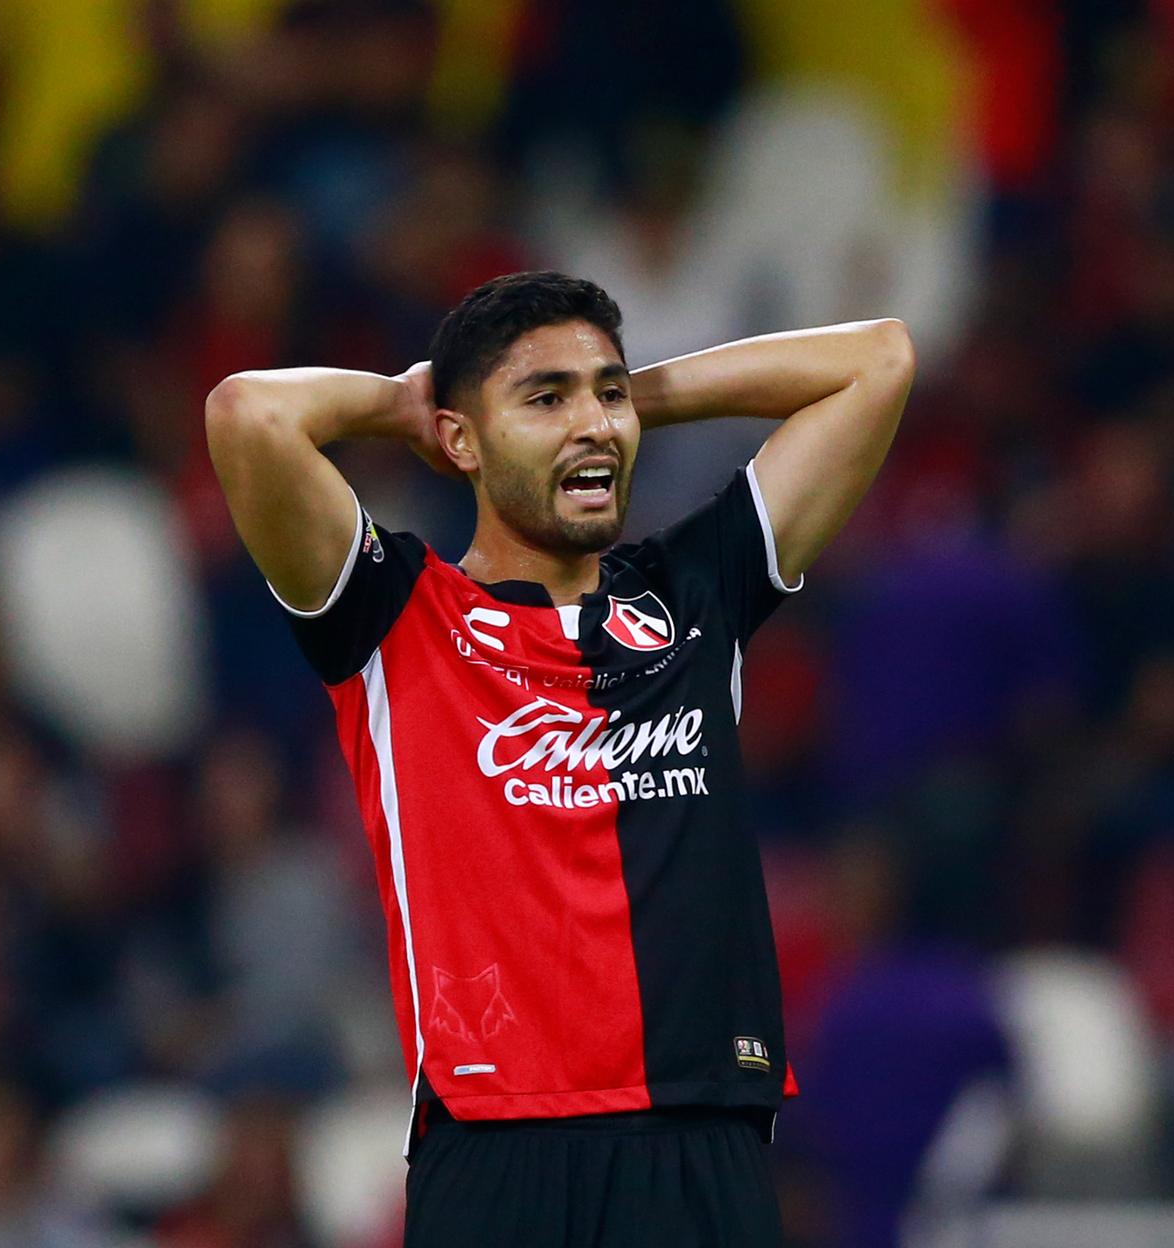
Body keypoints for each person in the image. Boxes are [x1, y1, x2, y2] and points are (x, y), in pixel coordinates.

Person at [205, 271, 913, 1246]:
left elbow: (878, 361)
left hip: (702, 1132)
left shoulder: (696, 592)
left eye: (606, 393)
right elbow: (247, 414)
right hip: (497, 1147)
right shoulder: (397, 615)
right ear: (461, 440)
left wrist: (631, 398)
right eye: (545, 399)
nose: (593, 424)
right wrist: (407, 405)